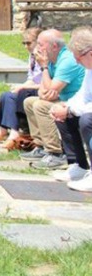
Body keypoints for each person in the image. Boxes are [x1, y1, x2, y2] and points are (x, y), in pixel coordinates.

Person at [21, 28, 85, 169]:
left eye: (40, 44)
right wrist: (45, 70)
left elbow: (50, 91)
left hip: (76, 102)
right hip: (62, 98)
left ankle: (55, 153)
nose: (37, 48)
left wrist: (43, 67)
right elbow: (44, 92)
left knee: (40, 106)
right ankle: (41, 145)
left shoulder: (67, 61)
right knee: (30, 102)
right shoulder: (51, 60)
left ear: (54, 46)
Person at [50, 27, 92, 192]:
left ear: (90, 53)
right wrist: (66, 106)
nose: (76, 62)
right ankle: (78, 165)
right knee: (65, 115)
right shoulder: (90, 69)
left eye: (78, 58)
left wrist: (69, 110)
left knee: (87, 120)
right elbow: (84, 95)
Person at [0, 27, 43, 147]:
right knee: (6, 95)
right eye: (24, 43)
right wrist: (21, 86)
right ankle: (2, 131)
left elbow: (45, 82)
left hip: (42, 90)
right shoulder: (32, 57)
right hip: (33, 88)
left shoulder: (44, 57)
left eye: (28, 43)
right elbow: (31, 78)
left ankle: (14, 133)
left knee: (21, 94)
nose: (26, 46)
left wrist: (23, 88)